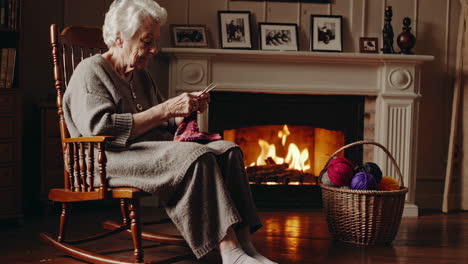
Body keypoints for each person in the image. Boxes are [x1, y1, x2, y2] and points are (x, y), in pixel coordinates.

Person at [62, 1, 278, 264]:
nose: (154, 49)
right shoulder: (90, 71)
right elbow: (99, 129)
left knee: (228, 150)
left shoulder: (140, 74)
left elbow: (162, 122)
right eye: (146, 41)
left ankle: (245, 245)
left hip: (147, 150)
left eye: (155, 41)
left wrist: (184, 111)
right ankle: (230, 252)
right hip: (105, 158)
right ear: (119, 39)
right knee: (196, 156)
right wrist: (166, 109)